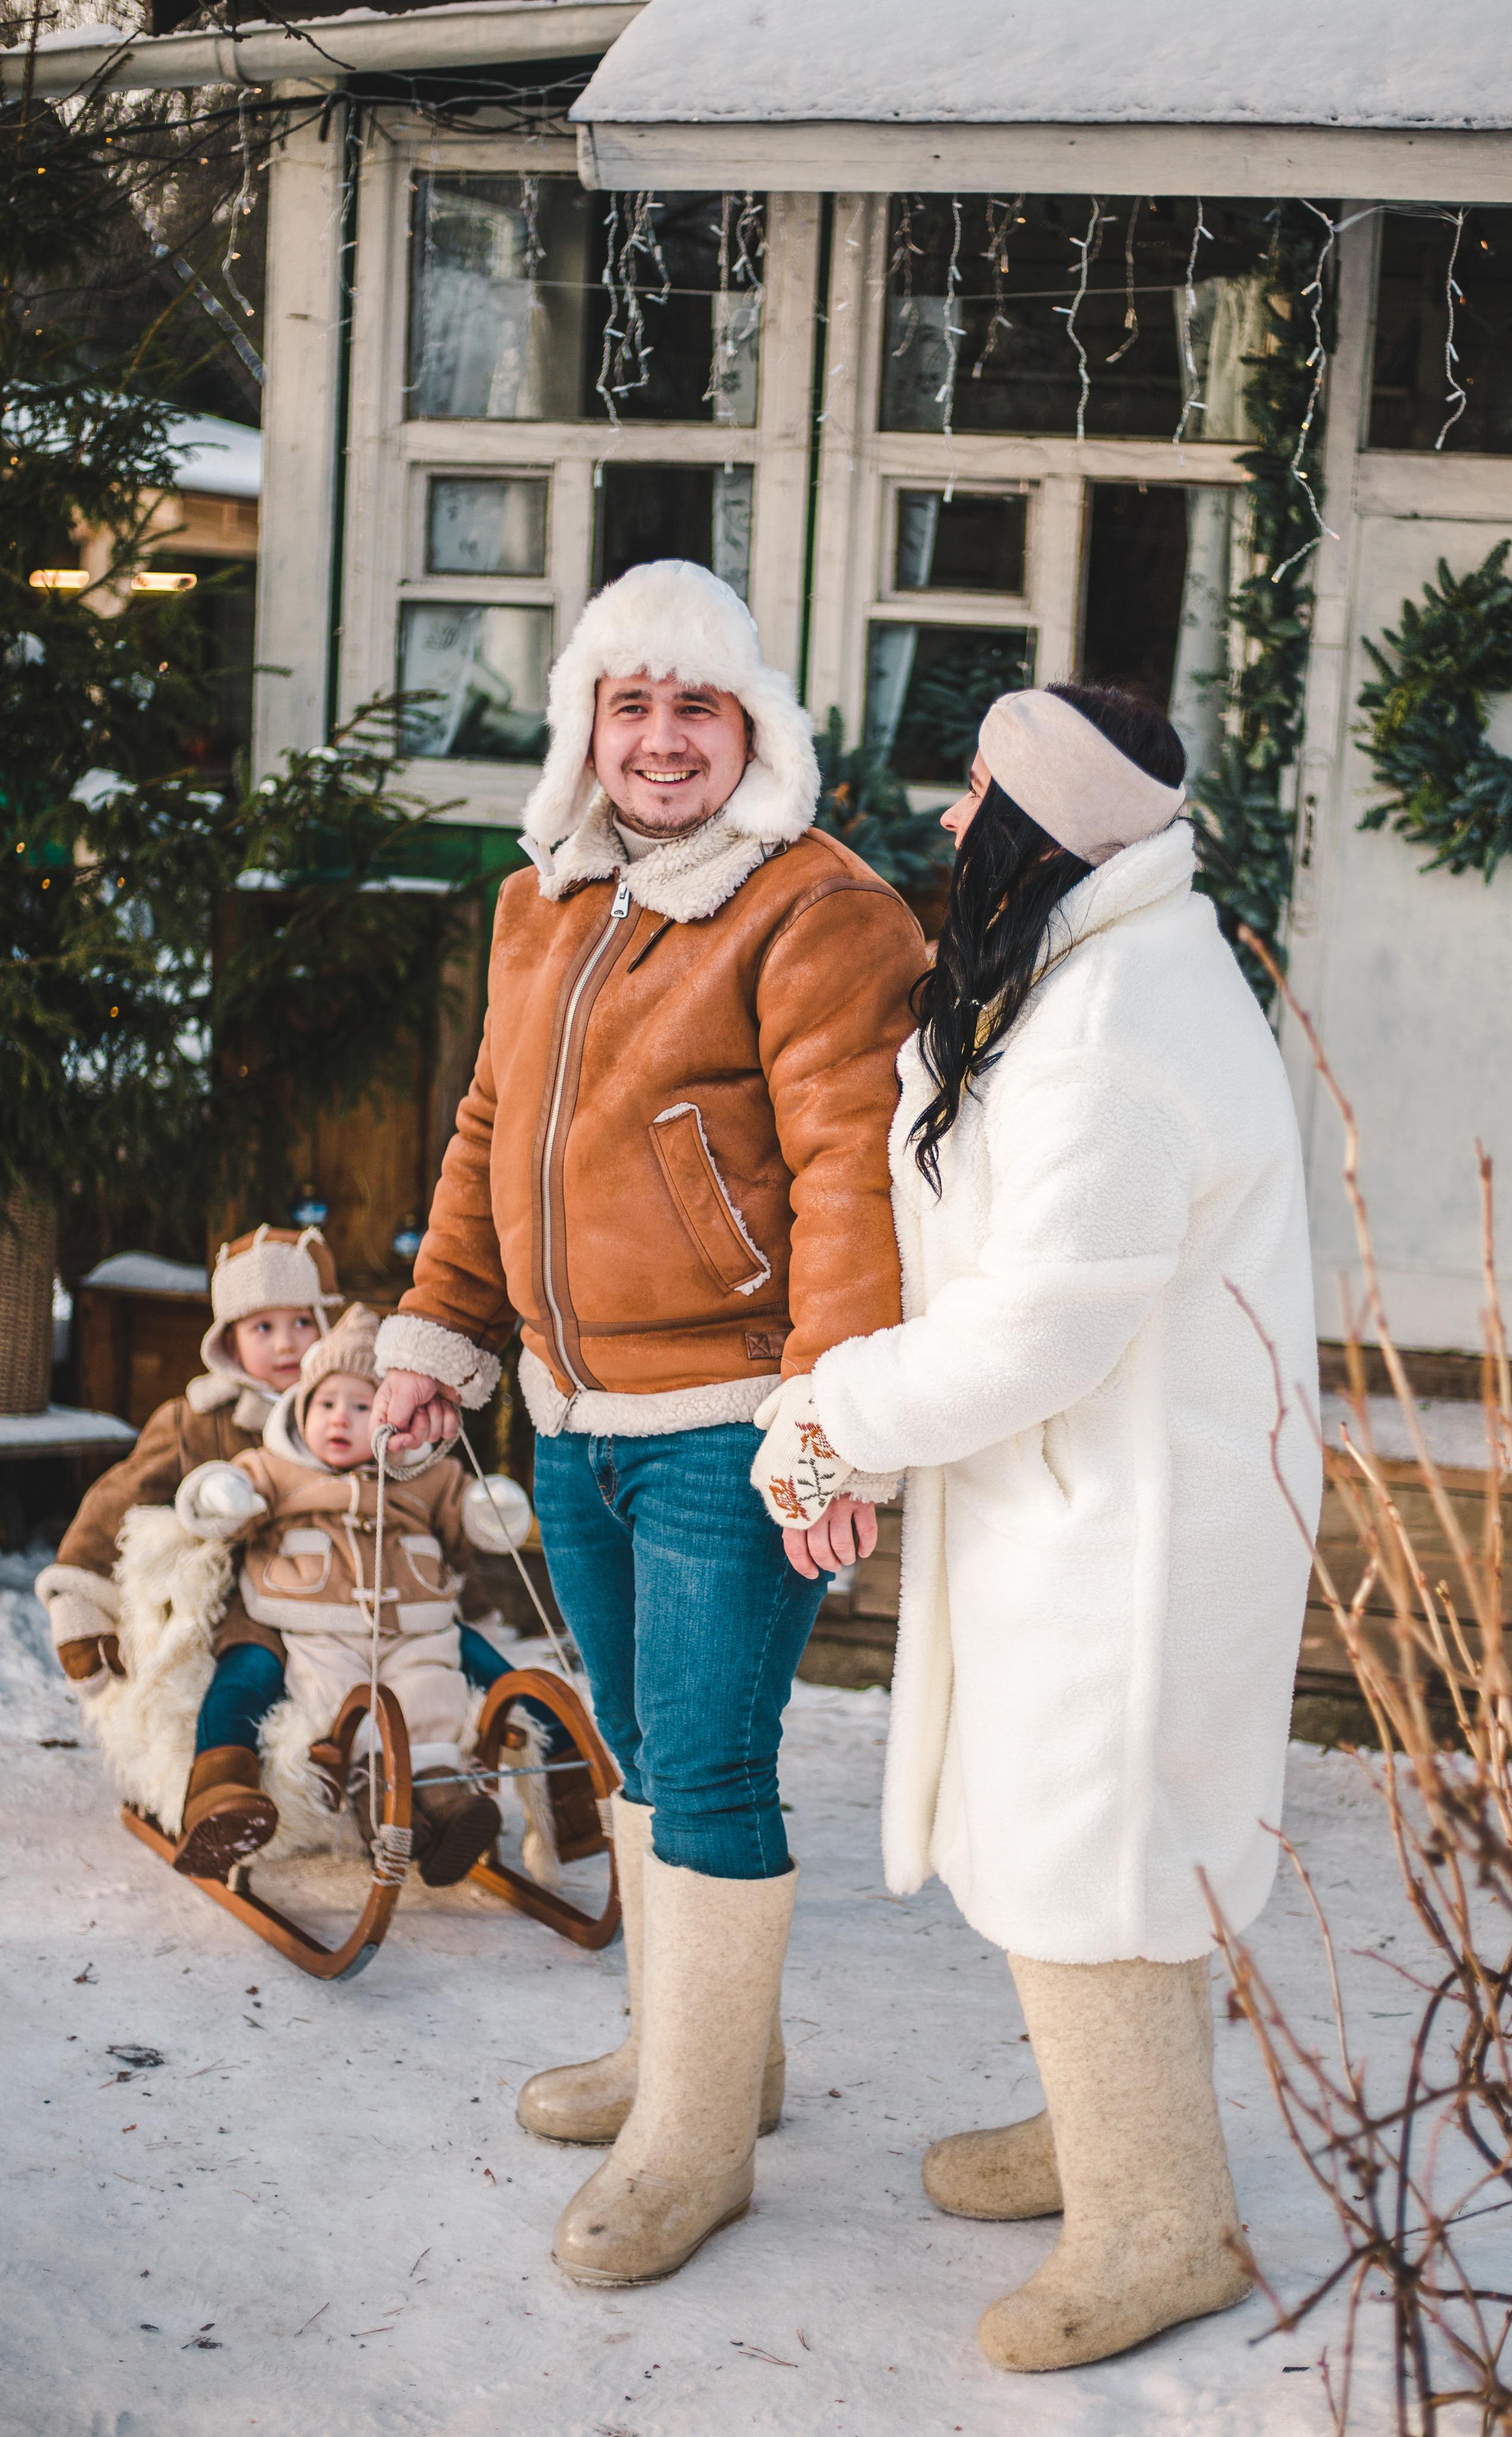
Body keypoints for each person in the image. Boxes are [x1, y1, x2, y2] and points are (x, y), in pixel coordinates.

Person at [751, 683, 1321, 2372]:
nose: (946, 822)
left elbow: (1036, 1331)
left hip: (1131, 1530)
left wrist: (832, 1413)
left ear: (1036, 823)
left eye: (976, 792)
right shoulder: (1092, 969)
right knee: (1067, 1843)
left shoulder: (1123, 1027)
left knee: (1104, 1855)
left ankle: (1162, 2228)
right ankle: (1108, 2134)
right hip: (1081, 1501)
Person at [372, 558, 924, 2286]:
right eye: (632, 703)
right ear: (588, 726)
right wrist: (435, 1337)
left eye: (698, 705)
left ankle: (693, 2142)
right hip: (570, 1409)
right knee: (632, 1742)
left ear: (750, 725)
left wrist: (829, 1431)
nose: (664, 739)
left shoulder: (816, 910)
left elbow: (853, 1184)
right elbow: (486, 1134)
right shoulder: (545, 899)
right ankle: (706, 2059)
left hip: (733, 1422)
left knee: (705, 1764)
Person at [38, 1223, 574, 1878]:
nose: (287, 1343)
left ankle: (565, 1772)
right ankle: (223, 1794)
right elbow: (115, 1504)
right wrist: (78, 1598)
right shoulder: (199, 1417)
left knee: (479, 1657)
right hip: (257, 1604)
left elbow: (425, 1519)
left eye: (301, 1322)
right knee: (250, 1676)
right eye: (262, 1328)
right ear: (227, 1339)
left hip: (382, 1598)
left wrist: (469, 1593)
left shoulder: (379, 1414)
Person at [174, 1302, 536, 1885]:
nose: (340, 1419)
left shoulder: (424, 1475)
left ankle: (448, 1805)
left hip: (412, 1625)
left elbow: (464, 1504)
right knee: (334, 1702)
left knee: (431, 1696)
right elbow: (226, 1486)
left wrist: (489, 1510)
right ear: (300, 1409)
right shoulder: (279, 1466)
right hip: (314, 1626)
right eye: (325, 1404)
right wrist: (224, 1495)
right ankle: (362, 1807)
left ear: (393, 1418)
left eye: (363, 1406)